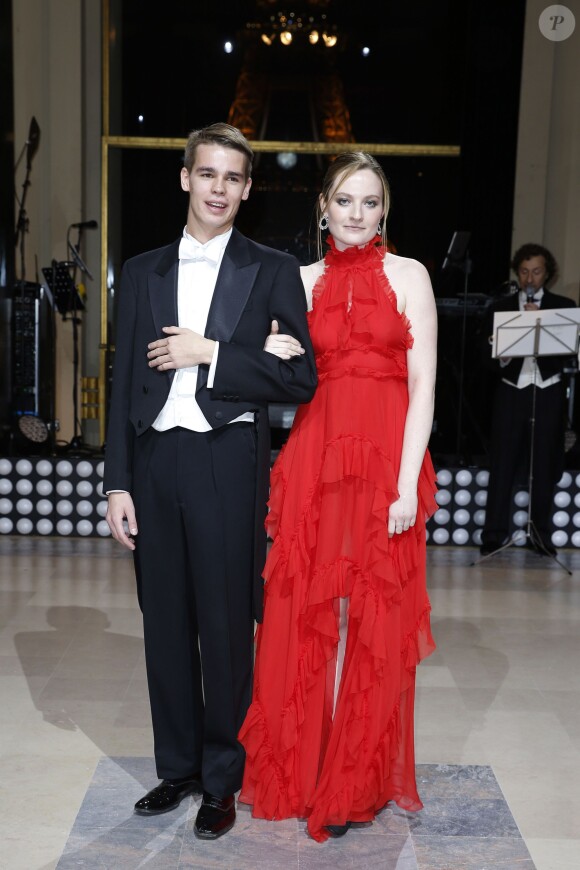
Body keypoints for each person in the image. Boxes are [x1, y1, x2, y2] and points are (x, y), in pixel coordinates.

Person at [103, 122, 316, 840]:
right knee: (165, 623)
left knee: (226, 628)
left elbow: (300, 377)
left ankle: (224, 777)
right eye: (208, 174)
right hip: (156, 463)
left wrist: (213, 354)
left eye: (233, 178)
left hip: (228, 463)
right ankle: (179, 767)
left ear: (246, 188)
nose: (219, 188)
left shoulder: (273, 269)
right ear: (185, 178)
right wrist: (117, 484)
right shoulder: (141, 271)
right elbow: (123, 377)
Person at [237, 152, 438, 842]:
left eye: (370, 202)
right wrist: (275, 350)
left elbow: (424, 389)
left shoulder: (410, 275)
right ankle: (296, 770)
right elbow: (270, 364)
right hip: (315, 459)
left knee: (378, 618)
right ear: (322, 205)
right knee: (301, 609)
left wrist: (409, 482)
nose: (357, 213)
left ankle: (356, 780)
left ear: (385, 210)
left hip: (386, 462)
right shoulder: (296, 279)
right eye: (345, 200)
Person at [480, 243, 576, 557]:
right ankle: (494, 534)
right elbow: (487, 359)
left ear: (546, 273)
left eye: (535, 271)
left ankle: (541, 535)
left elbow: (567, 354)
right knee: (503, 462)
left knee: (544, 464)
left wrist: (542, 325)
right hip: (511, 390)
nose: (529, 278)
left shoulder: (562, 305)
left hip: (547, 390)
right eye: (524, 272)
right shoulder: (501, 307)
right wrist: (504, 354)